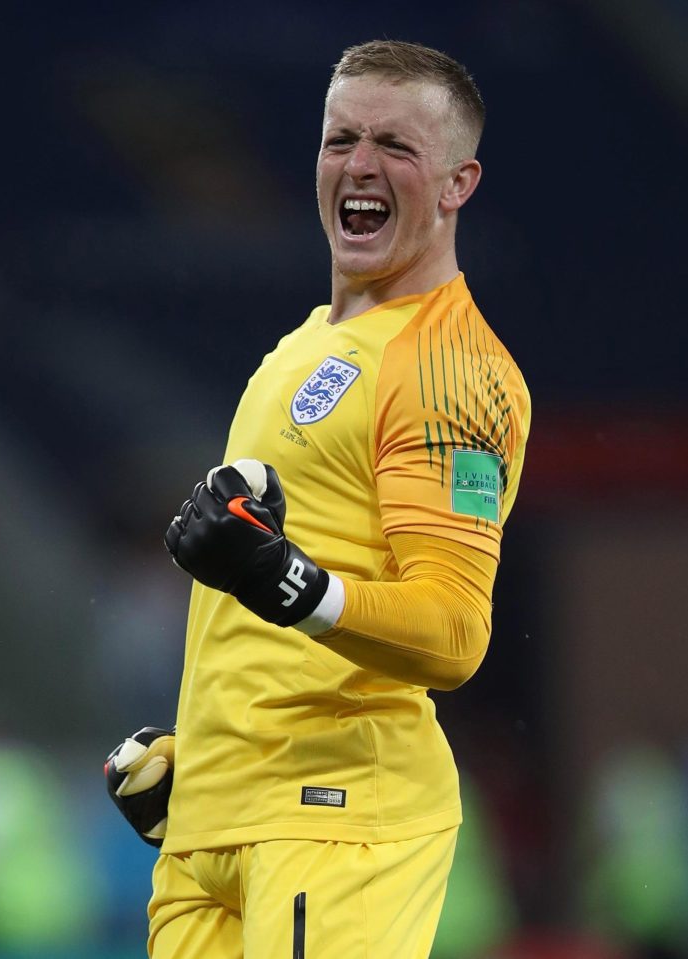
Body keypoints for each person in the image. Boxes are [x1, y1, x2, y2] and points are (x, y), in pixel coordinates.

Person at [106, 39, 531, 959]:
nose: (360, 166)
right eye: (341, 139)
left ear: (458, 182)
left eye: (395, 146)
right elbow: (258, 603)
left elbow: (453, 632)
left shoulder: (449, 367)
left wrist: (289, 580)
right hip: (220, 823)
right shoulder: (301, 346)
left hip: (336, 818)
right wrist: (211, 755)